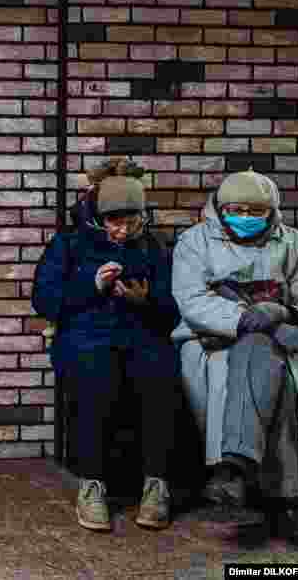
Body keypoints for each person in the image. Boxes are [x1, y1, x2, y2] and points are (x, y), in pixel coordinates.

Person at [172, 169, 298, 548]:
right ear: (220, 208)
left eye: (254, 210)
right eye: (235, 209)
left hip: (279, 342)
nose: (244, 216)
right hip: (213, 339)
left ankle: (233, 467)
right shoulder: (194, 242)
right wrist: (249, 319)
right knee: (275, 383)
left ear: (272, 211)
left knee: (266, 361)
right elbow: (193, 301)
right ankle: (288, 504)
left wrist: (287, 315)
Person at [33, 162, 181, 532]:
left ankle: (156, 484)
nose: (122, 230)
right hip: (85, 337)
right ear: (98, 216)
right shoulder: (69, 243)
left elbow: (172, 312)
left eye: (130, 221)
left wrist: (145, 300)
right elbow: (45, 299)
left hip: (140, 335)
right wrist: (90, 285)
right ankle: (92, 484)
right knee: (94, 376)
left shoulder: (153, 246)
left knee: (160, 375)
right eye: (114, 221)